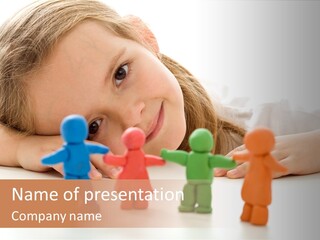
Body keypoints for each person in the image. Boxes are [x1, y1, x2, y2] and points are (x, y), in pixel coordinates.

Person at [0, 0, 319, 180]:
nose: (131, 116)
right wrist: (20, 148)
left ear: (145, 37)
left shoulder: (266, 127)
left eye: (120, 74)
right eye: (93, 127)